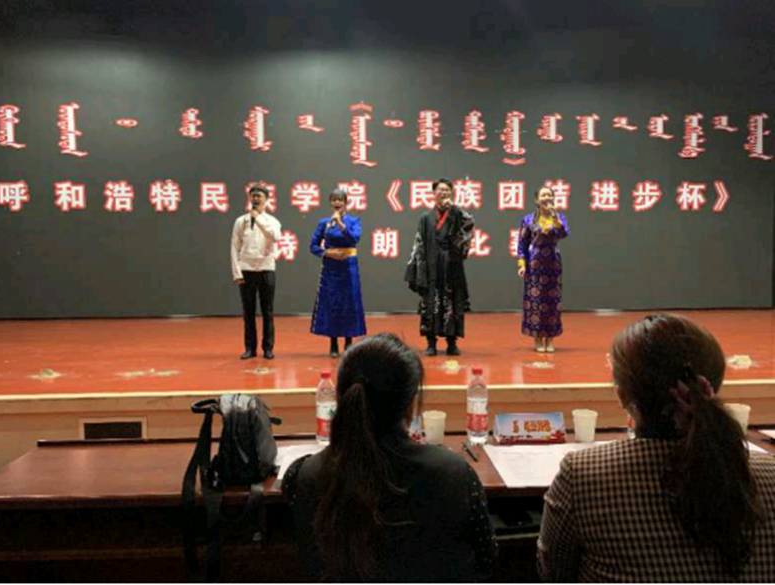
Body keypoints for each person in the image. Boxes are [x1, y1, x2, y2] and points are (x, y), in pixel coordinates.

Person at [538, 313, 775, 582]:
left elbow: (552, 574)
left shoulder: (582, 476)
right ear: (710, 387)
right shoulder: (770, 472)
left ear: (622, 395)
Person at [282, 333, 497, 582]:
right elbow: (486, 560)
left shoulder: (303, 475)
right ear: (410, 404)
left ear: (341, 396)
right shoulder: (455, 473)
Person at [405, 178, 474, 356]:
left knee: (452, 302)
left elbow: (469, 227)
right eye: (440, 190)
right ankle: (431, 342)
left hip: (452, 264)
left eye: (447, 190)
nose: (444, 193)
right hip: (431, 263)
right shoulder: (425, 217)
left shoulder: (458, 214)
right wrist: (418, 267)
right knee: (431, 302)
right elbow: (419, 243)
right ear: (434, 193)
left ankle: (452, 342)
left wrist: (456, 209)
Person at [309, 188, 367, 357]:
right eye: (334, 200)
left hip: (349, 268)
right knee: (332, 303)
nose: (337, 203)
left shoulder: (354, 221)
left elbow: (354, 239)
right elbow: (313, 246)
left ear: (346, 203)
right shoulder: (324, 223)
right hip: (331, 268)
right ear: (330, 203)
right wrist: (327, 253)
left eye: (340, 200)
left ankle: (349, 342)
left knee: (349, 303)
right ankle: (333, 343)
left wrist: (341, 224)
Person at [230, 185, 282, 359]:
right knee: (248, 312)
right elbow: (234, 247)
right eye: (253, 196)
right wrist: (237, 272)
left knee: (268, 311)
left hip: (266, 268)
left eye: (259, 196)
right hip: (246, 270)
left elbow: (275, 237)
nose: (256, 199)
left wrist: (258, 219)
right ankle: (250, 348)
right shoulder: (241, 221)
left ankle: (268, 348)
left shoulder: (272, 221)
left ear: (267, 199)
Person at [516, 186, 569, 353]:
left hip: (553, 263)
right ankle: (537, 338)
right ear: (537, 200)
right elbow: (522, 244)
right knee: (535, 302)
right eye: (543, 195)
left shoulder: (559, 217)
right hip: (535, 263)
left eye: (549, 195)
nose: (547, 198)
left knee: (553, 301)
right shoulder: (528, 219)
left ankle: (550, 338)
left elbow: (563, 233)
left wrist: (555, 217)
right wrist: (522, 264)